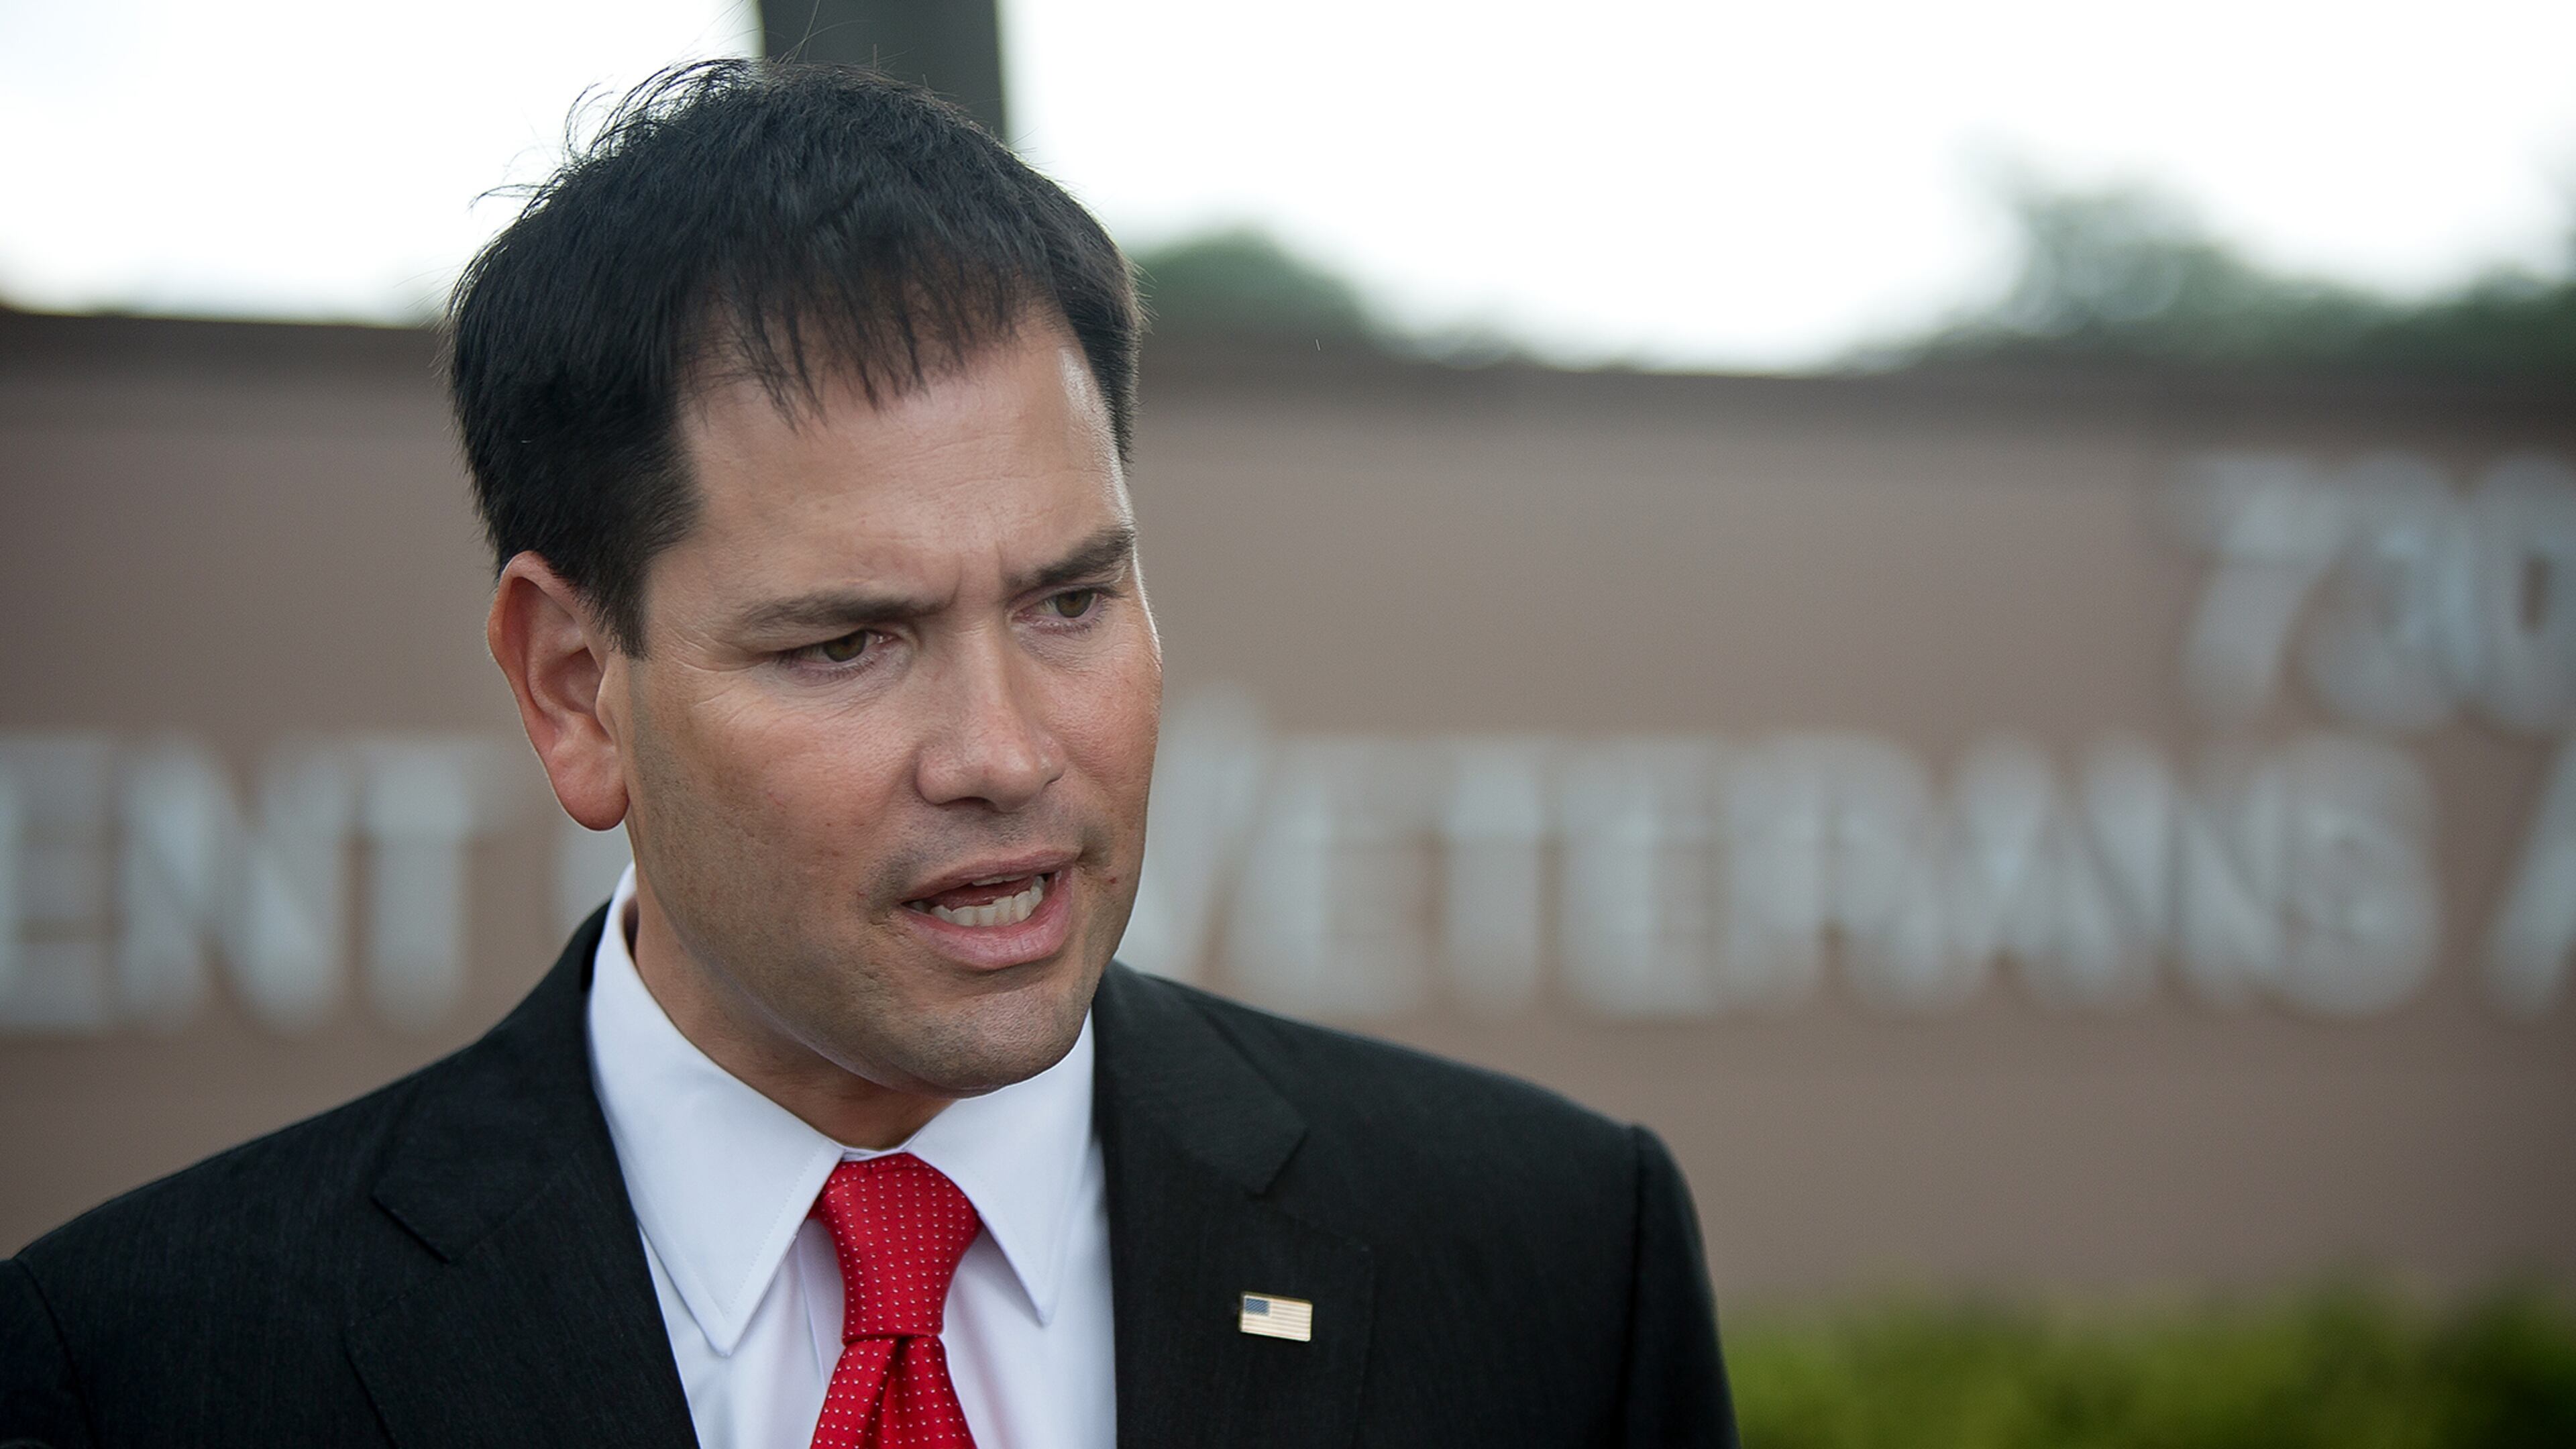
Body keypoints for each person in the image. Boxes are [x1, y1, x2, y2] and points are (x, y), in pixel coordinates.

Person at [0, 62, 1733, 1448]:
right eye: (846, 643)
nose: (1000, 753)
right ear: (576, 687)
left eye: (1069, 600)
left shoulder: (1553, 1260)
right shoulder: (140, 1369)